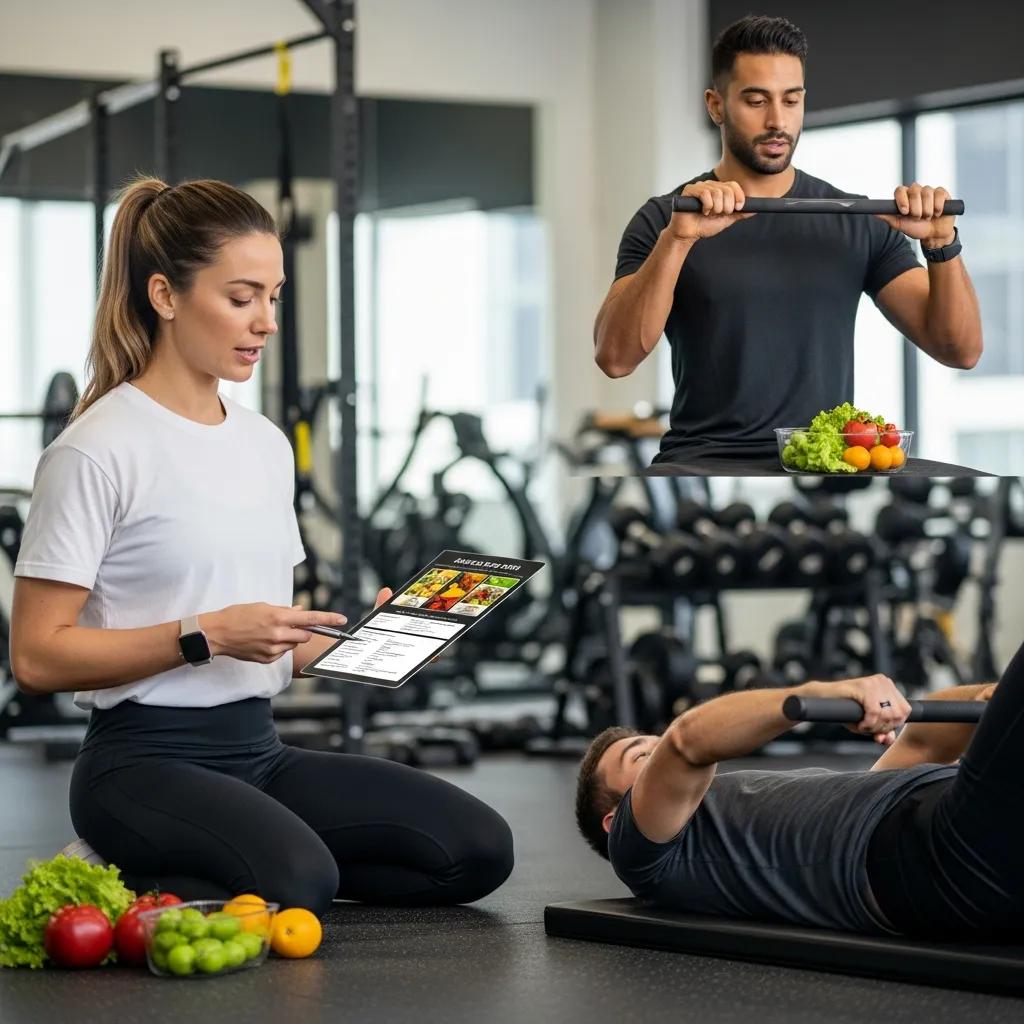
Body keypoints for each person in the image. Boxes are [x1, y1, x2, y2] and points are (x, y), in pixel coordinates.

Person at [9, 177, 513, 914]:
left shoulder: (265, 445)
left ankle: (265, 863)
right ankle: (116, 865)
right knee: (301, 880)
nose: (265, 321)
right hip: (139, 765)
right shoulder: (96, 449)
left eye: (272, 297)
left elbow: (271, 640)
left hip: (259, 753)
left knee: (475, 851)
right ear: (166, 295)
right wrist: (203, 635)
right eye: (242, 297)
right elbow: (36, 656)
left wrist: (370, 642)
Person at [593, 14, 983, 467]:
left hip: (817, 470)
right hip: (704, 466)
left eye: (791, 101)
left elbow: (961, 351)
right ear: (716, 106)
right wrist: (678, 243)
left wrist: (941, 246)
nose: (777, 121)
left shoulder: (856, 221)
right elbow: (615, 359)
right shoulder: (667, 218)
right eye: (756, 101)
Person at [574, 646, 1024, 938]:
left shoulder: (797, 807)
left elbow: (922, 743)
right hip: (934, 858)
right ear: (616, 823)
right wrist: (818, 692)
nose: (656, 752)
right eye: (640, 758)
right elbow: (687, 741)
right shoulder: (647, 856)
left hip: (940, 827)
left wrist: (990, 698)